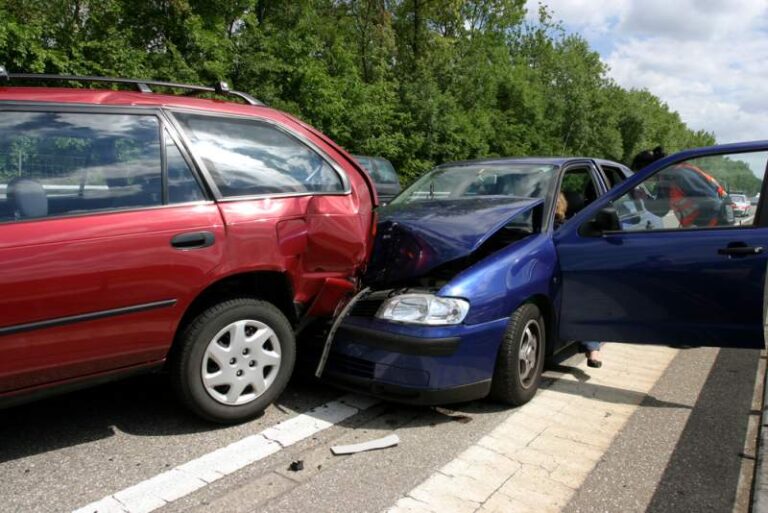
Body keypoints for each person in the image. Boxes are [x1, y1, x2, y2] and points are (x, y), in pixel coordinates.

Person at [632, 146, 729, 227]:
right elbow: (662, 207)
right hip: (718, 222)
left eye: (642, 176)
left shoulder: (671, 176)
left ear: (648, 170)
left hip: (714, 226)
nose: (645, 180)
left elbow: (661, 210)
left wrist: (700, 227)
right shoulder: (678, 170)